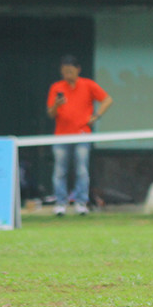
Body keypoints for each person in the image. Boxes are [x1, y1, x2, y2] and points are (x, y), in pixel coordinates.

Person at [46, 55, 113, 216]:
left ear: (78, 70)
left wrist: (96, 116)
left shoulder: (87, 85)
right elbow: (50, 113)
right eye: (64, 70)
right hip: (61, 136)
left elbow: (107, 99)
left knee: (81, 170)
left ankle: (81, 202)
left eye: (71, 70)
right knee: (60, 171)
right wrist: (56, 105)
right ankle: (61, 203)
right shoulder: (57, 87)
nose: (67, 73)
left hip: (83, 134)